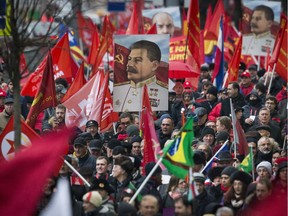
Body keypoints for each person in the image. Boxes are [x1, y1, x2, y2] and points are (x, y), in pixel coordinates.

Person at [113, 40, 168, 112]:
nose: (129, 64)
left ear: (154, 65)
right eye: (129, 59)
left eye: (137, 60)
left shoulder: (164, 92)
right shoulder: (118, 89)